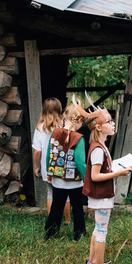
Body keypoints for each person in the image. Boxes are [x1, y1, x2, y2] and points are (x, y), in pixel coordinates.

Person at [82, 108, 130, 264]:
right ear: (99, 128)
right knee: (102, 231)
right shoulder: (97, 150)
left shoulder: (101, 147)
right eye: (109, 122)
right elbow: (95, 176)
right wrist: (118, 173)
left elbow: (102, 169)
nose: (113, 123)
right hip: (101, 197)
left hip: (101, 197)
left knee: (97, 229)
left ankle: (92, 261)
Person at [44, 102, 87, 241]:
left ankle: (50, 233)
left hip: (57, 180)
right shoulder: (78, 138)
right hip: (75, 183)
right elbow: (80, 162)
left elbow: (48, 154)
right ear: (78, 120)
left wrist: (49, 173)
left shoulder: (55, 133)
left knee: (56, 207)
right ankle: (79, 233)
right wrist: (87, 179)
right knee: (77, 209)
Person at [32, 98, 70, 225]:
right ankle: (68, 221)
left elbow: (37, 151)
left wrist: (36, 166)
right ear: (59, 110)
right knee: (65, 194)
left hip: (47, 167)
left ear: (44, 110)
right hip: (62, 165)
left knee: (50, 193)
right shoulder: (64, 126)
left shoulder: (40, 128)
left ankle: (52, 221)